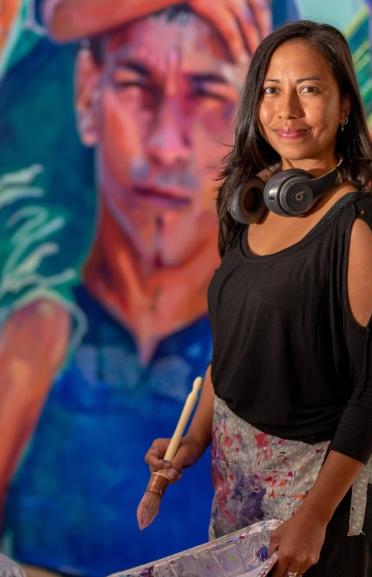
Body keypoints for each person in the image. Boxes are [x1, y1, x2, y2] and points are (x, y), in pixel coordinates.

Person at [1, 2, 310, 575]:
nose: (166, 145)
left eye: (208, 95)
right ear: (87, 94)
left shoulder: (299, 350)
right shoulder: (28, 341)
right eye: (136, 87)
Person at [145, 19, 372, 577]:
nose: (286, 108)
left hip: (318, 510)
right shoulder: (251, 208)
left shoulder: (357, 225)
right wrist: (192, 439)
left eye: (309, 89)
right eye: (271, 89)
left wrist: (314, 517)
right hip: (237, 493)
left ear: (343, 108)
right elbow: (237, 345)